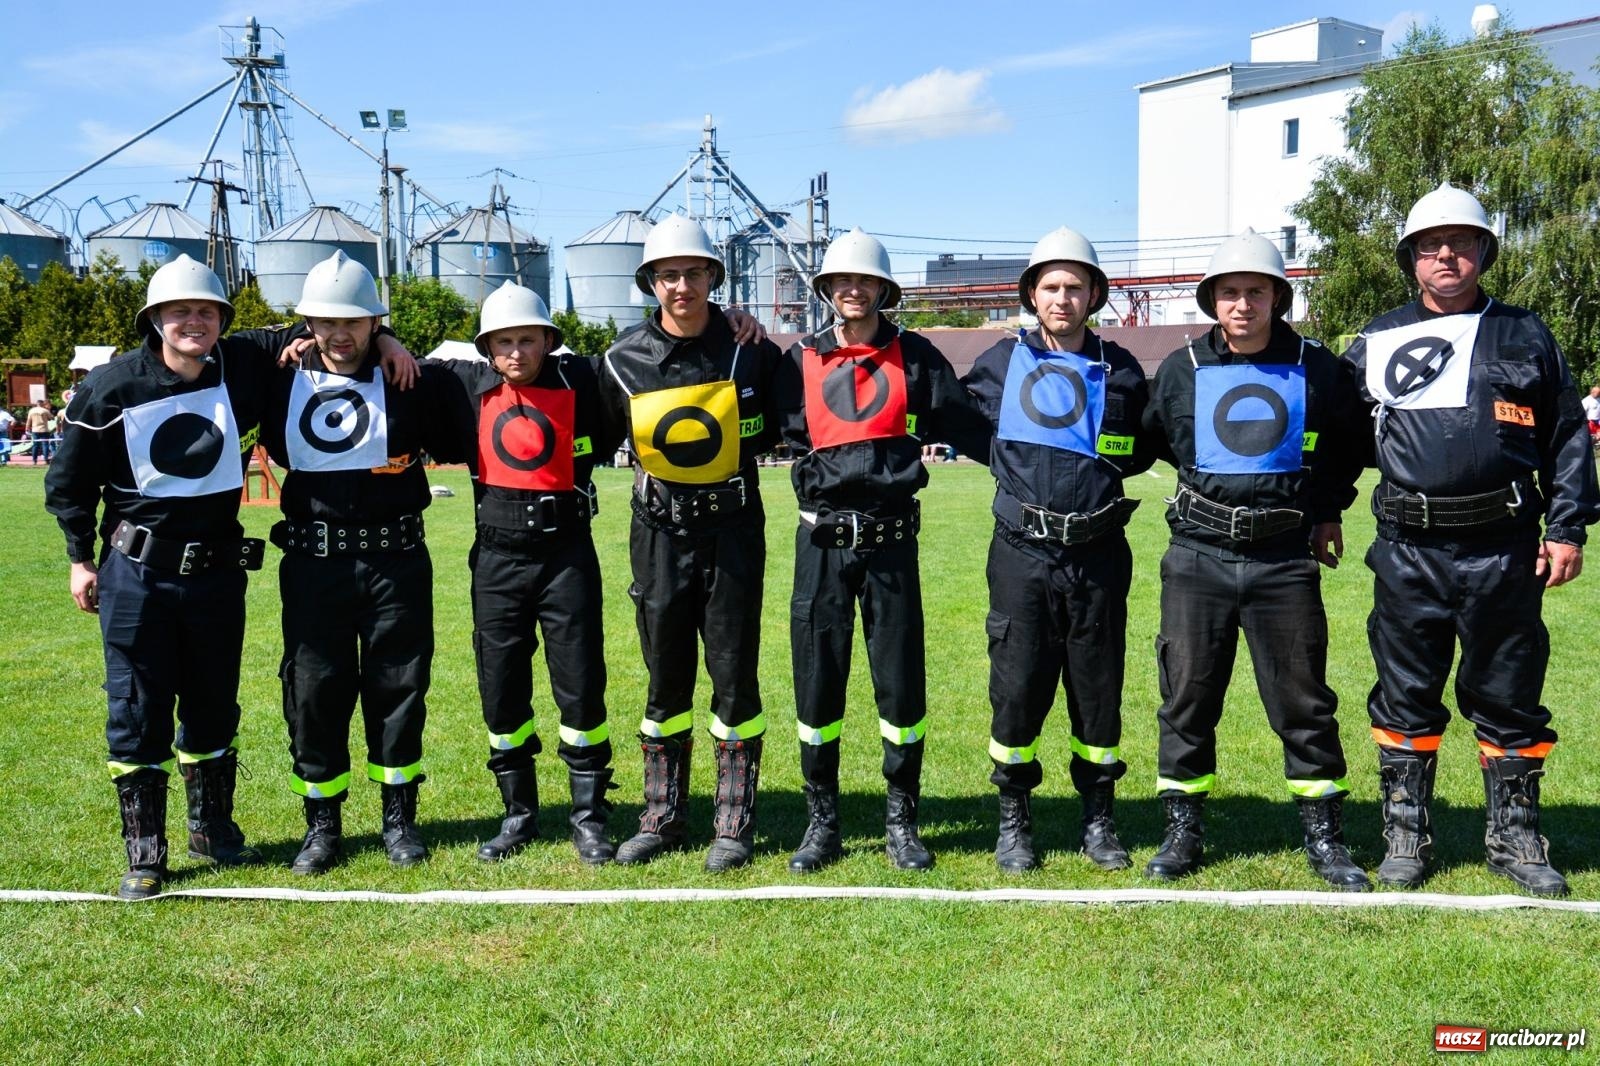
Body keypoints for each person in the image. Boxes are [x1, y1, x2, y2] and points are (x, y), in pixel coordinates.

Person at [1345, 183, 1600, 897]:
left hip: (1505, 549)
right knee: (1405, 693)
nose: (1447, 255)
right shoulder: (1376, 337)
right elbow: (1335, 437)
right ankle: (1404, 829)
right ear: (1411, 259)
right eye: (1431, 245)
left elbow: (1568, 435)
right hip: (1406, 550)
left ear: (1484, 252)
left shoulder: (1526, 333)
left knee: (1510, 692)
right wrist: (1325, 509)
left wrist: (1568, 526)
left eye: (1461, 243)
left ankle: (1514, 836)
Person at [44, 256, 288, 898]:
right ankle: (146, 852)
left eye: (206, 312)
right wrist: (79, 557)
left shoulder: (241, 362)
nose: (193, 322)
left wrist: (392, 337)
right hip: (137, 572)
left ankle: (213, 828)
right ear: (154, 318)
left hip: (214, 574)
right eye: (179, 312)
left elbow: (320, 328)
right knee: (137, 704)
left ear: (222, 321)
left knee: (213, 701)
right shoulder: (112, 385)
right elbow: (68, 482)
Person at [1142, 228, 1370, 890]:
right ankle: (1182, 830)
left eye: (1257, 292)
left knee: (1304, 699)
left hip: (1283, 558)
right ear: (1213, 300)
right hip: (1197, 555)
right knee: (1186, 695)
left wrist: (1327, 508)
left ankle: (1324, 835)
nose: (1243, 304)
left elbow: (1347, 445)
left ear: (1278, 297)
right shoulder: (1182, 368)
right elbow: (1155, 439)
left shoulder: (1317, 366)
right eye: (1231, 292)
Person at [774, 227, 990, 872]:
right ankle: (823, 821)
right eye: (841, 281)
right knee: (818, 683)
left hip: (893, 544)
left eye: (864, 281)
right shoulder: (797, 361)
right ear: (827, 289)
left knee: (900, 688)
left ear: (883, 289)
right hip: (822, 542)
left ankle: (902, 820)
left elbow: (974, 426)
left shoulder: (917, 357)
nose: (853, 290)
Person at [960, 227, 1156, 873]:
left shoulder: (1122, 370)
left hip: (1098, 555)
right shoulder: (996, 363)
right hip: (1020, 554)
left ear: (1094, 294)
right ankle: (1014, 820)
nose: (1063, 298)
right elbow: (947, 413)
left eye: (1075, 287)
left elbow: (1149, 445)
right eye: (1051, 286)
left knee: (1098, 692)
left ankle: (1098, 820)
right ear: (1032, 294)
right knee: (1015, 691)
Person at [260, 251, 455, 875]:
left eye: (356, 322)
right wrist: (290, 338)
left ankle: (399, 818)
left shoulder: (409, 378)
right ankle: (322, 825)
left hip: (396, 560)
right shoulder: (279, 375)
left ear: (375, 322)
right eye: (323, 322)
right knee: (314, 689)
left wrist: (398, 344)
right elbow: (222, 339)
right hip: (316, 563)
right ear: (307, 323)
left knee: (399, 685)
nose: (339, 335)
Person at [598, 215, 782, 871]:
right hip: (657, 536)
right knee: (664, 678)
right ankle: (662, 816)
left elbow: (796, 417)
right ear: (651, 281)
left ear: (713, 278)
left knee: (733, 677)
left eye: (694, 272)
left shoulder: (749, 350)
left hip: (732, 533)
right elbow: (568, 411)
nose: (682, 285)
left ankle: (733, 823)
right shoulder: (619, 360)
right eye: (669, 274)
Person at [429, 282, 621, 865]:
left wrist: (731, 323)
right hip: (496, 559)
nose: (517, 352)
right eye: (504, 341)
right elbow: (384, 360)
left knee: (580, 685)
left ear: (549, 340)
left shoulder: (582, 380)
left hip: (567, 554)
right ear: (486, 347)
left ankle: (589, 818)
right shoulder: (461, 387)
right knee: (501, 686)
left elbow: (643, 349)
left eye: (528, 339)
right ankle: (518, 814)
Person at [26, 398, 51, 464]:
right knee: (45, 445)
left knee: (35, 445)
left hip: (35, 430)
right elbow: (52, 418)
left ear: (37, 404)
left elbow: (28, 421)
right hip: (44, 429)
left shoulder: (31, 410)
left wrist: (27, 428)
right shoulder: (45, 410)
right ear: (42, 404)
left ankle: (34, 460)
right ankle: (46, 460)